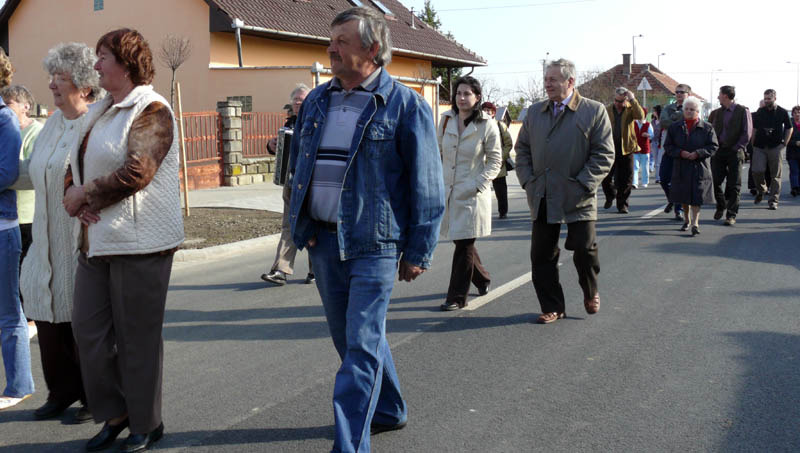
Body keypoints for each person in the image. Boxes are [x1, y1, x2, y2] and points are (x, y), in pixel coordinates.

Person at [287, 7, 444, 452]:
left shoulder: (406, 105)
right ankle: (389, 409)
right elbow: (299, 167)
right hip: (323, 241)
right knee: (353, 341)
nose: (331, 49)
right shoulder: (317, 101)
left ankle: (350, 446)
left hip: (375, 244)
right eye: (330, 40)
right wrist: (302, 225)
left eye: (342, 41)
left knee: (360, 345)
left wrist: (418, 249)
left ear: (373, 49)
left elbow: (427, 184)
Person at [62, 29, 183, 452]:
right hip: (96, 241)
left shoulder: (152, 108)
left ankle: (146, 423)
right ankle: (116, 414)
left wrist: (86, 194)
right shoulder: (100, 111)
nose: (95, 65)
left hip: (140, 243)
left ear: (127, 64)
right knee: (88, 333)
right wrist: (72, 195)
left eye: (103, 57)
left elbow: (138, 170)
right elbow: (74, 163)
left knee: (137, 340)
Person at [11, 42, 102, 423]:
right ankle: (61, 391)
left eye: (60, 78)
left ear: (84, 85)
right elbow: (33, 173)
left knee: (82, 323)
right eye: (51, 77)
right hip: (45, 238)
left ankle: (95, 397)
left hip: (79, 239)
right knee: (46, 315)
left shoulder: (96, 124)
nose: (51, 85)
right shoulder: (52, 124)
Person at [515, 58, 614, 324]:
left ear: (570, 82)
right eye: (546, 79)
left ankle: (590, 290)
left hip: (578, 194)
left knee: (585, 249)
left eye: (553, 80)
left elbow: (604, 154)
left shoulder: (593, 111)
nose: (547, 84)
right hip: (543, 193)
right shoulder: (535, 112)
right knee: (542, 256)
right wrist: (528, 181)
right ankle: (553, 306)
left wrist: (582, 183)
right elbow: (522, 150)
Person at [438, 78, 501, 311]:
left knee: (464, 244)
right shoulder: (446, 120)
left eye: (467, 93)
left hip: (472, 194)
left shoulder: (487, 124)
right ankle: (482, 279)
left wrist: (477, 185)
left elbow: (495, 161)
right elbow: (437, 152)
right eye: (458, 93)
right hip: (448, 190)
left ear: (477, 97)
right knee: (460, 239)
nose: (462, 98)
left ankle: (456, 297)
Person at [0, 48, 32, 412]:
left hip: (3, 227)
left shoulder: (4, 118)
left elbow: (7, 172)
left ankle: (19, 384)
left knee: (9, 312)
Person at [1, 85, 43, 341]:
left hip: (27, 215)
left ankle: (29, 321)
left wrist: (7, 172)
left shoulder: (36, 133)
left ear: (26, 106)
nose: (5, 108)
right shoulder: (5, 130)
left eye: (10, 103)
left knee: (23, 274)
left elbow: (29, 171)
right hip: (8, 214)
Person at [260, 83, 314, 285]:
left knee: (312, 225)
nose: (298, 103)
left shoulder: (317, 121)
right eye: (296, 100)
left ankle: (317, 270)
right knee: (289, 225)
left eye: (302, 99)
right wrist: (271, 145)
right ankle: (280, 270)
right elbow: (280, 148)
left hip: (312, 184)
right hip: (291, 183)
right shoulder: (289, 125)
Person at [663, 96, 718, 236]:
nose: (688, 111)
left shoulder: (707, 127)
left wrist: (698, 153)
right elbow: (668, 146)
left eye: (692, 109)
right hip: (681, 166)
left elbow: (713, 146)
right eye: (686, 109)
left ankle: (695, 223)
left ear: (698, 111)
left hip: (699, 167)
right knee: (684, 196)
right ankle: (687, 220)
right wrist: (680, 153)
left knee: (696, 196)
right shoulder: (675, 127)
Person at [707, 86, 752, 226]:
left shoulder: (742, 111)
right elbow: (712, 130)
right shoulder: (717, 112)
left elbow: (747, 133)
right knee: (714, 181)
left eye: (719, 94)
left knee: (734, 185)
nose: (718, 97)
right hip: (719, 151)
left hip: (735, 151)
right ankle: (721, 204)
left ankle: (731, 215)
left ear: (725, 96)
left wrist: (737, 147)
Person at [602, 87, 644, 213]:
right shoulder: (607, 109)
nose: (617, 103)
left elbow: (641, 115)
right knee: (605, 175)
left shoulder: (630, 109)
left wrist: (633, 99)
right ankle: (610, 194)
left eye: (620, 101)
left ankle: (622, 205)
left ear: (626, 100)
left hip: (627, 147)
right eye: (616, 100)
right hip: (610, 147)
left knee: (626, 178)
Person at [752, 89, 793, 210]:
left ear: (775, 98)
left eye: (769, 99)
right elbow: (754, 128)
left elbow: (789, 128)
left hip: (775, 147)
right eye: (765, 99)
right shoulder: (760, 111)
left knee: (775, 175)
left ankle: (773, 201)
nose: (766, 101)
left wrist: (784, 143)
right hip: (759, 146)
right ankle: (762, 190)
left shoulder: (782, 112)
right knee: (757, 170)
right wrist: (752, 143)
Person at [659, 84, 692, 221]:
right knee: (663, 179)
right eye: (677, 92)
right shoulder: (668, 108)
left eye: (681, 92)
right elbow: (663, 123)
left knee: (679, 182)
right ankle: (672, 199)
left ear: (688, 94)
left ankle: (678, 210)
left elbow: (689, 121)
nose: (678, 94)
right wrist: (678, 118)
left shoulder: (691, 108)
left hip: (684, 149)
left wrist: (674, 118)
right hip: (669, 148)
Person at [481, 101, 513, 219]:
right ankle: (482, 213)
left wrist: (500, 158)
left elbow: (508, 144)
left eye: (488, 110)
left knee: (500, 190)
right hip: (481, 164)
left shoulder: (500, 125)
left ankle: (503, 211)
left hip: (498, 164)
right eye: (484, 110)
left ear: (494, 113)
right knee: (481, 190)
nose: (486, 112)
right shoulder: (477, 126)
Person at [632, 108, 653, 189]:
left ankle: (645, 182)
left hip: (645, 149)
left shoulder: (648, 124)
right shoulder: (633, 123)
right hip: (635, 148)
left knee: (645, 167)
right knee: (635, 166)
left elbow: (652, 135)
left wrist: (647, 135)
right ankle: (635, 183)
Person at [787, 106, 800, 196]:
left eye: (799, 112)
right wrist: (795, 143)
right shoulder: (789, 124)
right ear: (792, 114)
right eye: (795, 113)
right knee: (794, 171)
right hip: (792, 153)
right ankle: (795, 188)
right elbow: (785, 139)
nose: (797, 114)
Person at [650, 105, 662, 177]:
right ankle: (657, 176)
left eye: (654, 111)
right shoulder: (653, 122)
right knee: (655, 160)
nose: (653, 112)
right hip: (654, 142)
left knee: (659, 160)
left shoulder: (662, 121)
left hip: (661, 142)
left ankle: (659, 176)